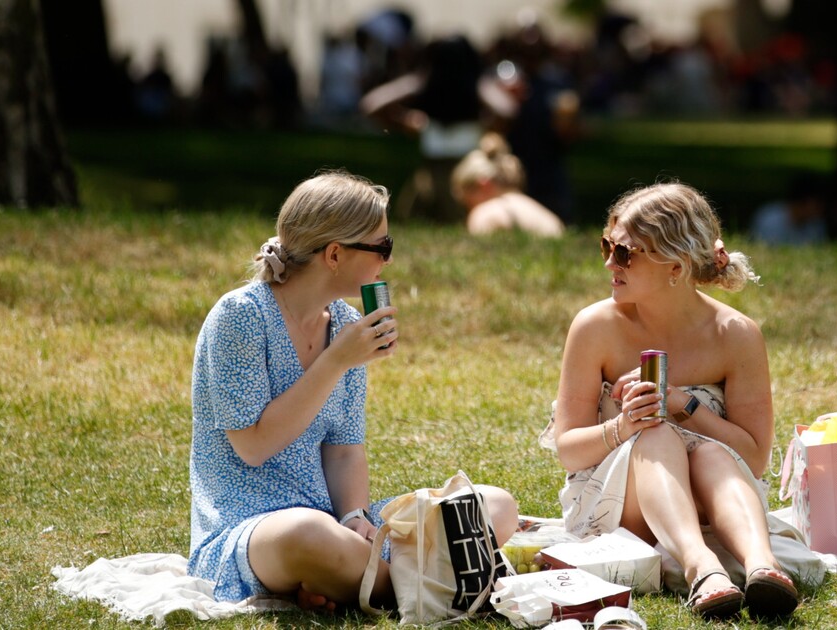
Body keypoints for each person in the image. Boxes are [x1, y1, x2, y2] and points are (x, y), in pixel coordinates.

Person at [187, 170, 519, 612]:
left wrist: (354, 517)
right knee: (305, 534)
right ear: (335, 254)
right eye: (382, 247)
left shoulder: (343, 324)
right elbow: (254, 445)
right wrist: (337, 360)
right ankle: (417, 586)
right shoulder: (241, 316)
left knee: (493, 505)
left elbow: (344, 450)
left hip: (331, 528)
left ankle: (354, 579)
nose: (388, 260)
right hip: (251, 530)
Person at [543, 181, 804, 620]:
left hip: (714, 498)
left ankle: (763, 566)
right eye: (608, 246)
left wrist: (686, 404)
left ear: (675, 266)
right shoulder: (595, 327)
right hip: (614, 504)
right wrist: (625, 426)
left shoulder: (735, 334)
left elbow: (754, 459)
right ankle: (702, 567)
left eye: (625, 253)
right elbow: (569, 450)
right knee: (658, 435)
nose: (610, 263)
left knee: (710, 455)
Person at [360, 34, 517, 222]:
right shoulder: (428, 86)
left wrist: (475, 85)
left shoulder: (473, 87)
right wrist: (405, 118)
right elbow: (372, 105)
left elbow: (507, 111)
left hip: (470, 176)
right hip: (431, 178)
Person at [450, 132, 565, 237]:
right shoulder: (544, 214)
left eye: (466, 202)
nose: (467, 210)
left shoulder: (485, 214)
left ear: (484, 185)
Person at [750, 174, 828, 246]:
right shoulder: (769, 220)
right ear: (805, 202)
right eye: (818, 204)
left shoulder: (816, 225)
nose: (821, 208)